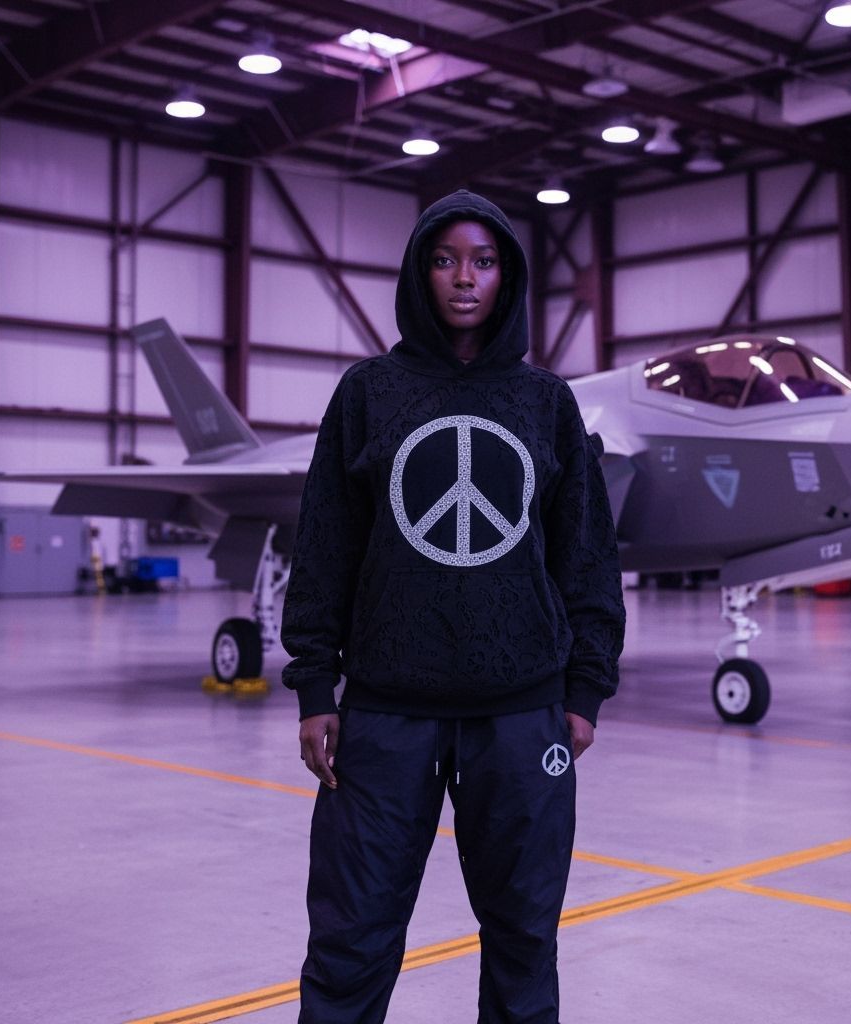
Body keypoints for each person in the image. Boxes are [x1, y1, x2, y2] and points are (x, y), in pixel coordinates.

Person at [281, 189, 625, 1024]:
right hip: (387, 718)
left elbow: (585, 556)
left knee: (522, 939)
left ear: (507, 276)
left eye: (483, 260)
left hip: (522, 718)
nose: (463, 279)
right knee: (350, 939)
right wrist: (315, 690)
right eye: (443, 260)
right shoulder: (369, 393)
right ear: (417, 272)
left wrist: (583, 692)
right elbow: (325, 546)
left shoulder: (547, 403)